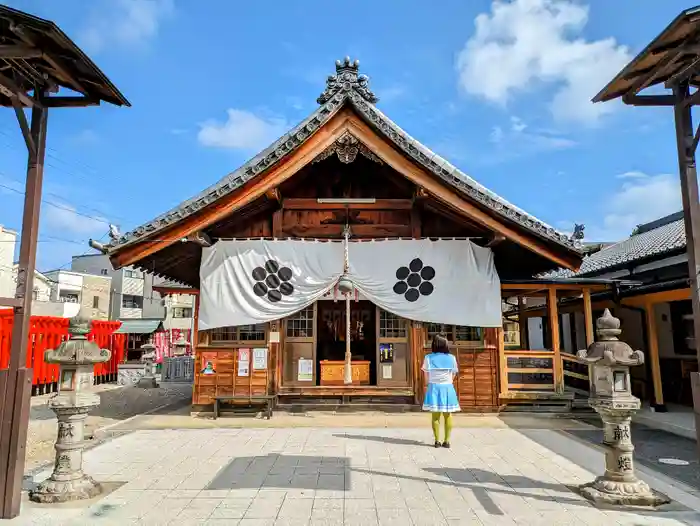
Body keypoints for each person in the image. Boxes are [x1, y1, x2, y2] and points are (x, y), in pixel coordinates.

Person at [422, 333, 460, 448]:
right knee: (448, 415)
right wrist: (448, 381)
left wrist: (427, 385)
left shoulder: (428, 358)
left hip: (434, 387)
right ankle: (447, 441)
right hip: (448, 388)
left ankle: (437, 441)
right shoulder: (452, 358)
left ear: (434, 344)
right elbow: (453, 374)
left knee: (435, 416)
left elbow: (426, 375)